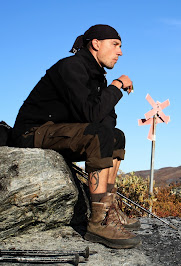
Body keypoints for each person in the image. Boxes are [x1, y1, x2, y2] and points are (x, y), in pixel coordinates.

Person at [11, 24, 141, 249]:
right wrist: (117, 86)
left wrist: (108, 96)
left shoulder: (96, 76)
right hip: (33, 132)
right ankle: (98, 223)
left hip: (58, 131)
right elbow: (90, 114)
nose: (120, 52)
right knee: (100, 134)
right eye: (115, 45)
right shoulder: (71, 67)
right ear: (96, 44)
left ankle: (108, 211)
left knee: (116, 137)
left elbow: (107, 122)